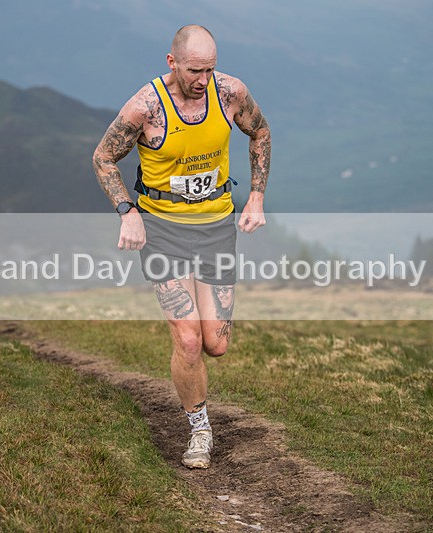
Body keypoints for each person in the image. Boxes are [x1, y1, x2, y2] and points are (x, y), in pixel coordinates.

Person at [92, 24, 270, 469]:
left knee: (216, 343)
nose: (203, 80)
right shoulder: (145, 107)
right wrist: (127, 211)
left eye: (210, 69)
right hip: (163, 229)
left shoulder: (230, 94)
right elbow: (102, 157)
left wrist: (257, 197)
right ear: (171, 63)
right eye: (195, 70)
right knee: (188, 339)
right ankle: (199, 428)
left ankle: (198, 396)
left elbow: (261, 133)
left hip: (215, 226)